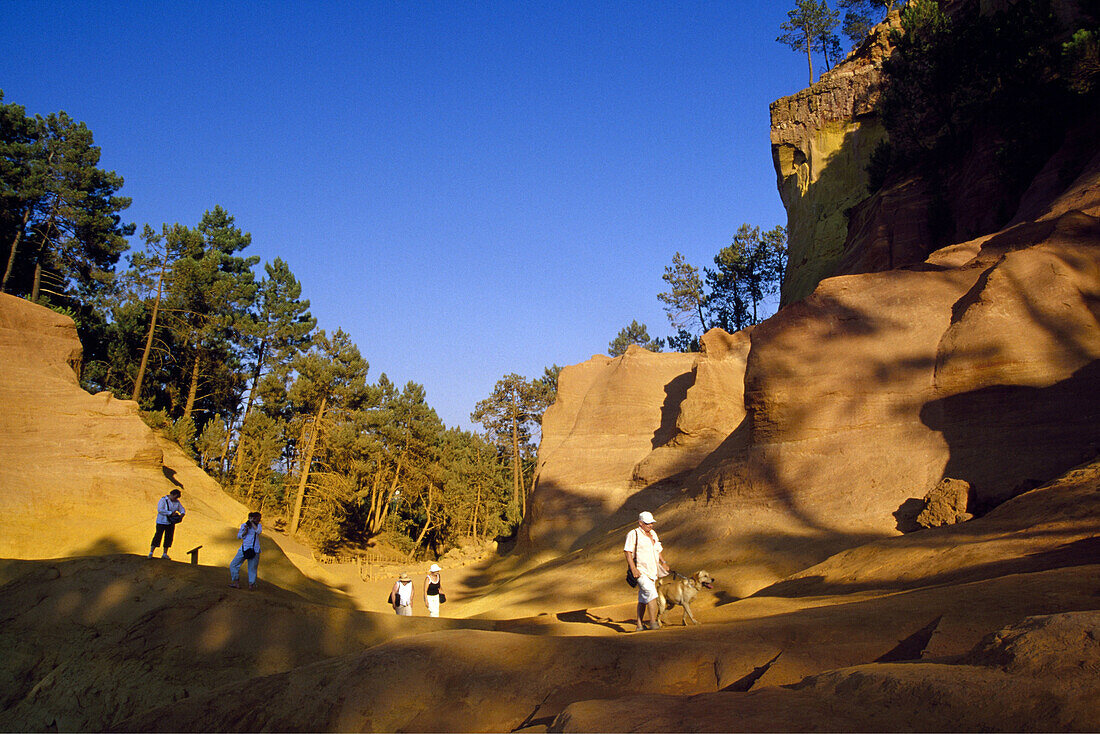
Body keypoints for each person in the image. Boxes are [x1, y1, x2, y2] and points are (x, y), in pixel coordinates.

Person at [624, 510, 669, 632]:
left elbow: (657, 550)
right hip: (640, 571)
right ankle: (653, 623)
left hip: (652, 571)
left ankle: (639, 625)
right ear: (640, 523)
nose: (650, 525)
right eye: (648, 523)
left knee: (643, 598)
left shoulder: (653, 534)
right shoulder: (634, 534)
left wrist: (663, 562)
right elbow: (627, 552)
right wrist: (633, 569)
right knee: (652, 594)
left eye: (652, 523)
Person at [229, 511, 262, 590]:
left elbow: (258, 531)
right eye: (257, 519)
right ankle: (236, 582)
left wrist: (253, 524)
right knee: (233, 565)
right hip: (244, 549)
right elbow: (239, 536)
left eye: (259, 519)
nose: (258, 520)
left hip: (254, 549)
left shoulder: (258, 526)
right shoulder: (244, 525)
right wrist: (245, 531)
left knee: (252, 568)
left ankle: (251, 585)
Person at [149, 488, 185, 559]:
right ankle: (151, 552)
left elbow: (182, 509)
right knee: (158, 536)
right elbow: (160, 510)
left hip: (170, 523)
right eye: (175, 497)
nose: (176, 499)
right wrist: (170, 513)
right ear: (172, 494)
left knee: (169, 537)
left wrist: (182, 514)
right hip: (161, 521)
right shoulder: (163, 500)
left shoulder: (177, 502)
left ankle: (165, 553)